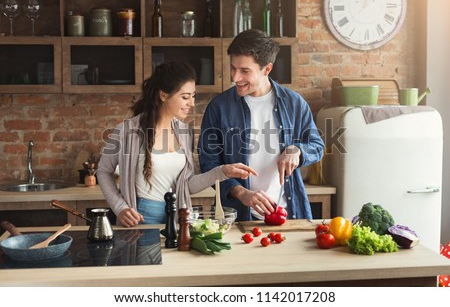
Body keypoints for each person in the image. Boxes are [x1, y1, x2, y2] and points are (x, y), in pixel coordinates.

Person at [97, 61, 257, 227]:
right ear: (164, 95)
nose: (192, 103)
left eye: (193, 96)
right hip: (142, 216)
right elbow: (103, 171)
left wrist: (222, 172)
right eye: (185, 97)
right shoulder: (128, 130)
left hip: (178, 216)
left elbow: (186, 185)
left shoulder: (184, 132)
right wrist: (120, 207)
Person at [198, 29, 324, 222]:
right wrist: (241, 192)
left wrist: (297, 150)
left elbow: (317, 145)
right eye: (233, 68)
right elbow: (209, 163)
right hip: (237, 217)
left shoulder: (294, 103)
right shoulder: (219, 107)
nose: (235, 78)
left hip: (288, 214)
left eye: (245, 71)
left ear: (267, 69)